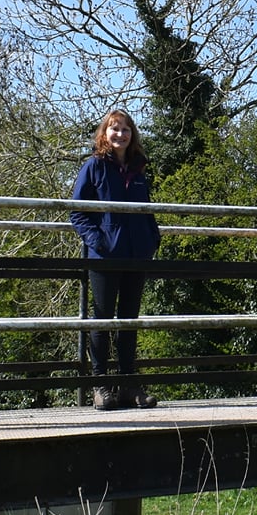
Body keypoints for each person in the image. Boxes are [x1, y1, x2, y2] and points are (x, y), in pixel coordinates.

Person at [70, 109, 161, 410]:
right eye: (114, 129)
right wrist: (99, 241)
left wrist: (151, 239)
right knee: (103, 318)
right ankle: (100, 383)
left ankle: (127, 383)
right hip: (104, 256)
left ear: (132, 134)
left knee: (129, 319)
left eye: (125, 129)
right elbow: (77, 212)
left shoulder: (138, 170)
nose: (120, 134)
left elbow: (145, 211)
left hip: (136, 254)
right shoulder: (94, 166)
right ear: (104, 133)